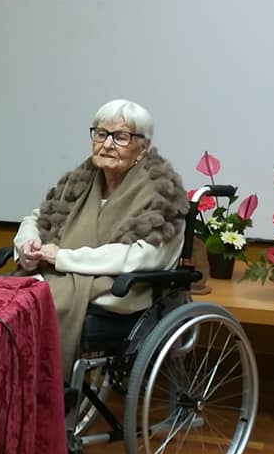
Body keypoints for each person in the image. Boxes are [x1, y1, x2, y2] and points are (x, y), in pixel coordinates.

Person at [13, 99, 188, 381]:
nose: (107, 144)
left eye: (120, 137)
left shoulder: (161, 193)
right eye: (101, 134)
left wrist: (62, 257)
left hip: (120, 292)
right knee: (9, 300)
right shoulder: (80, 180)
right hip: (60, 274)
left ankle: (44, 398)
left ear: (142, 148)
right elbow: (37, 218)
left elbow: (143, 257)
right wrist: (27, 245)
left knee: (34, 304)